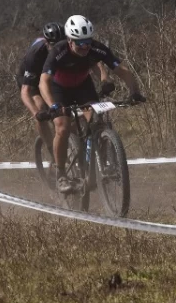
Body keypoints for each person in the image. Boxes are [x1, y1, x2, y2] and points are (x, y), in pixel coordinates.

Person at [39, 15, 145, 193]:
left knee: (97, 119)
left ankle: (100, 161)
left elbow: (122, 70)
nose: (85, 46)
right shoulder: (58, 50)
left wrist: (134, 92)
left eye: (88, 41)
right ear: (70, 40)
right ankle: (61, 174)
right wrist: (53, 106)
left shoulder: (96, 49)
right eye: (80, 42)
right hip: (59, 90)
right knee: (63, 127)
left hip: (82, 87)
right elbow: (44, 82)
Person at [17, 22, 75, 156]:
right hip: (30, 80)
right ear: (47, 43)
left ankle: (71, 143)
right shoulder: (36, 54)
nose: (58, 48)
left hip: (50, 78)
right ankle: (52, 151)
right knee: (41, 109)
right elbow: (25, 92)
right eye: (55, 46)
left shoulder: (67, 49)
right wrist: (36, 113)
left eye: (62, 44)